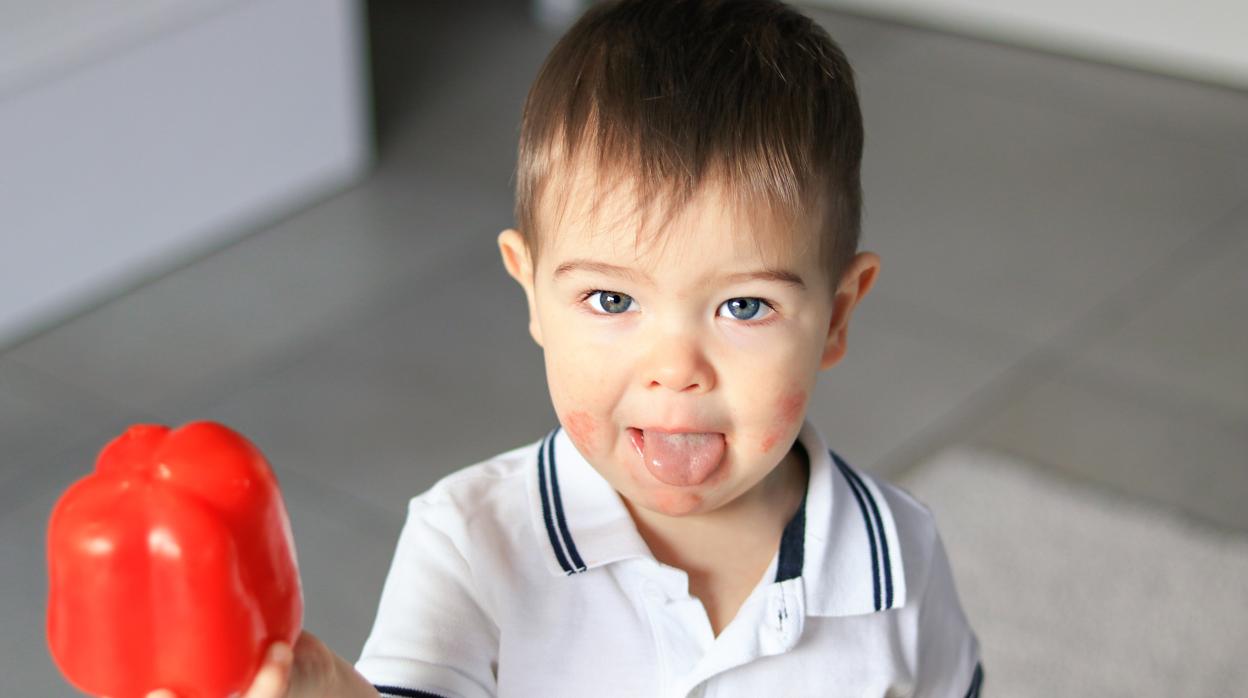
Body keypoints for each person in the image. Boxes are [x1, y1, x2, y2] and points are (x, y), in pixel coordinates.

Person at [162, 0, 983, 695]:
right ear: (533, 294)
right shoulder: (472, 542)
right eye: (612, 298)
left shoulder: (895, 556)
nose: (676, 370)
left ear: (837, 316)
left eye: (743, 305)